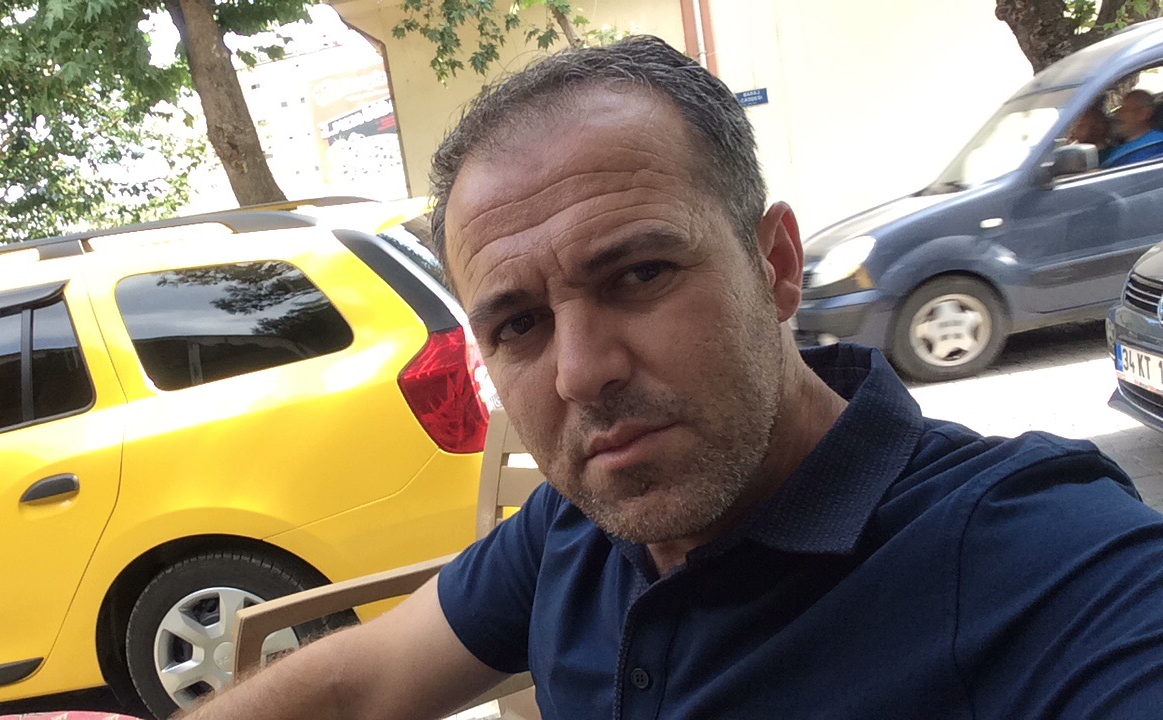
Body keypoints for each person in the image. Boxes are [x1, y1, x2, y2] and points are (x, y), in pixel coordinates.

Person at [185, 36, 1163, 719]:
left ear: (775, 266)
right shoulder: (574, 530)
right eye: (518, 324)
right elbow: (354, 685)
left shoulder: (1039, 561)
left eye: (640, 274)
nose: (582, 373)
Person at [1104, 89, 1163, 167]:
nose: (1117, 116)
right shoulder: (1119, 145)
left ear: (1144, 114)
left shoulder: (1156, 146)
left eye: (1124, 110)